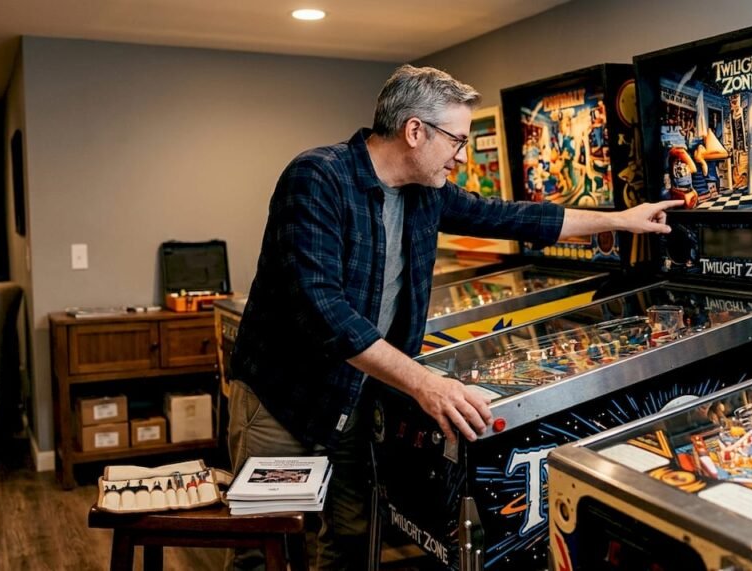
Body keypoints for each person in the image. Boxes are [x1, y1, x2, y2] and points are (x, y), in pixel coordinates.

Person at [226, 64, 680, 571]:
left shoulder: (427, 194)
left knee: (349, 539)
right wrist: (425, 383)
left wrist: (619, 220)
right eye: (457, 140)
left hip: (352, 395)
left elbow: (512, 216)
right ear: (414, 131)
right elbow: (321, 308)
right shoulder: (318, 177)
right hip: (282, 397)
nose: (462, 155)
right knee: (266, 544)